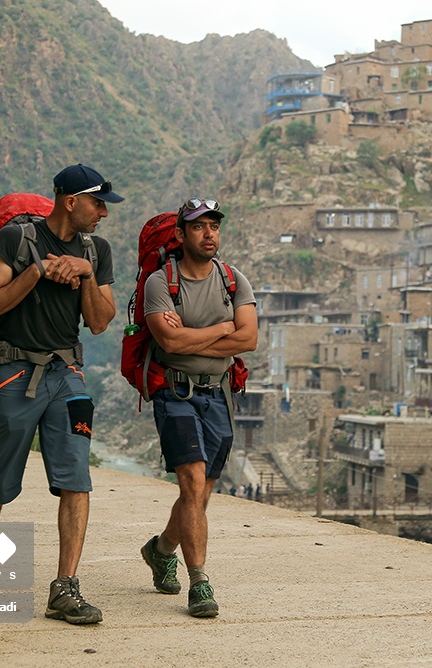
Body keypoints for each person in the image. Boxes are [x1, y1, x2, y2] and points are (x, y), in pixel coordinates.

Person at [0, 163, 123, 625]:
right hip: (13, 371)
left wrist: (85, 273)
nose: (103, 214)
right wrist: (35, 274)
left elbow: (100, 321)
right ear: (71, 201)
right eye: (98, 204)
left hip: (67, 375)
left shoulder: (97, 250)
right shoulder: (17, 241)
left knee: (77, 477)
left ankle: (65, 588)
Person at [139, 197, 257, 618]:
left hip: (219, 395)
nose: (209, 234)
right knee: (191, 485)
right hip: (177, 395)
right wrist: (225, 328)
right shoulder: (160, 283)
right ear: (181, 234)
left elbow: (249, 339)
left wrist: (197, 333)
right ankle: (200, 582)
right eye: (199, 226)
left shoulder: (232, 279)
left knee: (201, 496)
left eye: (214, 226)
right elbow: (169, 344)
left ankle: (160, 548)